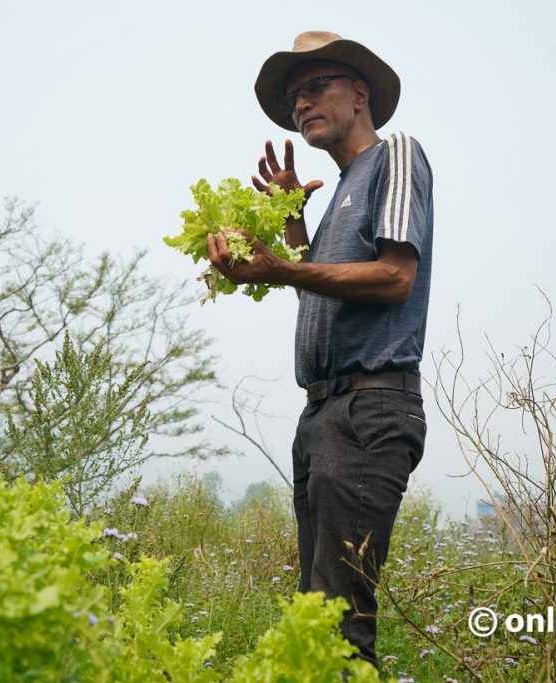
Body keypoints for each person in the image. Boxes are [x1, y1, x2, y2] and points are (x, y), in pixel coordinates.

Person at [206, 30, 434, 668]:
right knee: (314, 615)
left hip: (369, 410)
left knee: (339, 625)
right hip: (323, 416)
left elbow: (395, 277)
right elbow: (321, 291)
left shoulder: (397, 157)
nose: (301, 104)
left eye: (315, 87)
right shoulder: (340, 193)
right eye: (293, 97)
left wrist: (282, 267)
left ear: (360, 93)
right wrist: (291, 228)